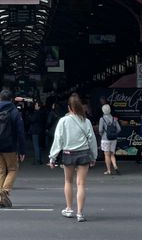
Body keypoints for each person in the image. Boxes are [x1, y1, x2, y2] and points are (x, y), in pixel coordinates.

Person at [48, 94, 98, 223]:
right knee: (81, 184)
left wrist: (52, 157)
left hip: (68, 154)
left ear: (69, 107)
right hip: (84, 154)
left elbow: (58, 140)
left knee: (68, 182)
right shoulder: (86, 121)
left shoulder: (63, 121)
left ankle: (69, 209)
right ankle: (80, 213)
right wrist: (94, 156)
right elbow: (92, 140)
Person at [0, 89, 27, 208]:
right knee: (13, 169)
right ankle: (5, 190)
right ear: (11, 99)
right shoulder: (14, 111)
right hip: (10, 146)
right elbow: (20, 132)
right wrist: (22, 150)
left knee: (0, 171)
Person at [98, 103, 120, 175]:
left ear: (103, 110)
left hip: (105, 139)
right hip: (113, 139)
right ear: (110, 110)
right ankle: (115, 166)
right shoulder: (114, 118)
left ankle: (109, 170)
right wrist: (114, 134)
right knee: (112, 154)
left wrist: (103, 135)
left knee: (107, 155)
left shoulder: (102, 119)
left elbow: (100, 130)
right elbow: (119, 129)